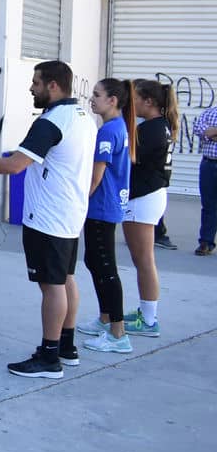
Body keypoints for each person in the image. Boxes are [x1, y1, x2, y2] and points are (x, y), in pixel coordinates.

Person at [0, 60, 95, 379]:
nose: (31, 88)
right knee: (65, 279)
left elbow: (15, 166)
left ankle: (50, 357)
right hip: (70, 214)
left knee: (51, 286)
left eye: (36, 82)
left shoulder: (51, 122)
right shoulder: (83, 117)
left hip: (48, 217)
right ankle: (66, 346)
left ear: (53, 85)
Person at [77, 79, 135, 354]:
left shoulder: (109, 131)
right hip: (105, 207)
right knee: (94, 261)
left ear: (112, 100)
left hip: (101, 208)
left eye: (97, 95)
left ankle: (118, 333)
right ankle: (105, 318)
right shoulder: (118, 126)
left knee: (106, 268)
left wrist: (79, 200)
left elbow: (96, 176)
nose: (92, 99)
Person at [120, 79, 179, 338]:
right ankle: (146, 311)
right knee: (142, 260)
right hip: (149, 195)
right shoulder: (158, 126)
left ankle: (149, 319)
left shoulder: (152, 130)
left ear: (149, 102)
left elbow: (127, 160)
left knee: (143, 260)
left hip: (143, 198)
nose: (131, 105)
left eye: (135, 100)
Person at [193, 103, 217, 256]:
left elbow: (206, 132)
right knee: (209, 205)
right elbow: (198, 129)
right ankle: (206, 242)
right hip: (208, 164)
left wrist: (211, 132)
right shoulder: (209, 112)